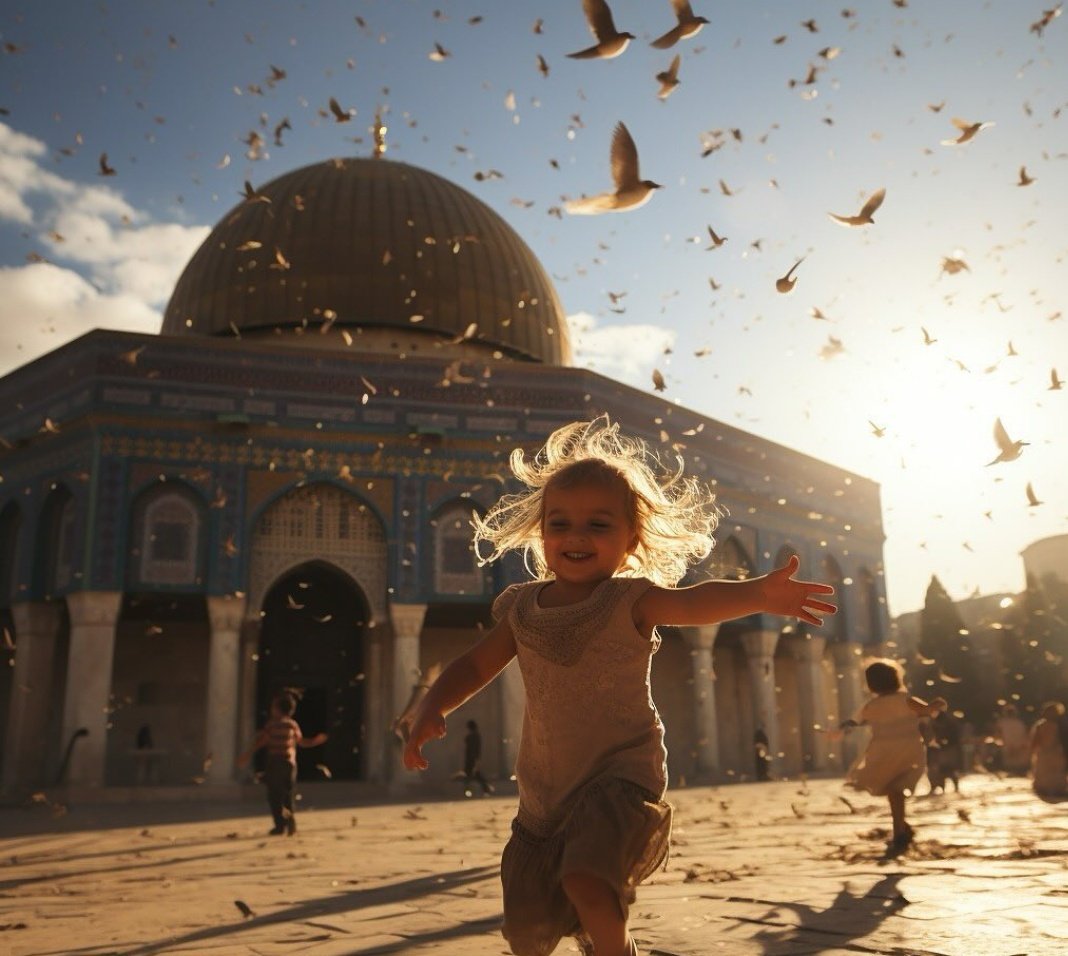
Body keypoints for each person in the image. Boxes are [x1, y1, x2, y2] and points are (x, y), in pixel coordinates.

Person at [398, 417, 837, 956]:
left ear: (632, 538)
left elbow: (694, 603)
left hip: (619, 776)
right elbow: (473, 665)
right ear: (540, 533)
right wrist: (431, 704)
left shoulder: (630, 600)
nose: (576, 537)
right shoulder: (521, 609)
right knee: (525, 934)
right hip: (544, 792)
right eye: (560, 524)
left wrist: (758, 595)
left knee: (588, 879)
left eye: (598, 525)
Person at [841, 659, 945, 853]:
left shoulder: (872, 704)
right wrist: (936, 704)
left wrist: (838, 730)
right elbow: (926, 710)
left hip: (881, 752)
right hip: (908, 749)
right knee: (897, 790)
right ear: (896, 678)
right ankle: (900, 829)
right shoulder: (905, 699)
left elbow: (855, 722)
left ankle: (899, 830)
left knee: (893, 790)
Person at [236, 691, 327, 835]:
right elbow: (302, 742)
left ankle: (280, 826)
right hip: (289, 764)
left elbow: (262, 742)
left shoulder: (272, 725)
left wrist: (247, 755)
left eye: (273, 707)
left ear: (277, 709)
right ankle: (291, 824)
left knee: (274, 795)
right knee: (288, 794)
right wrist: (316, 741)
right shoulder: (292, 725)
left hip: (275, 762)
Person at [1029, 701, 1067, 797]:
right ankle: (1051, 788)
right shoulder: (1043, 725)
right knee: (1048, 770)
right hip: (1048, 752)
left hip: (1052, 752)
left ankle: (1053, 788)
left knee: (1052, 770)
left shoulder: (1056, 725)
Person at [925, 702, 963, 794]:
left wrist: (945, 741)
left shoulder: (947, 720)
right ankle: (940, 787)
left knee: (948, 769)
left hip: (948, 748)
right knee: (941, 769)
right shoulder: (933, 720)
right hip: (939, 748)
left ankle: (953, 786)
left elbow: (954, 734)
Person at [462, 719, 495, 797]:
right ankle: (486, 789)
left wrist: (474, 760)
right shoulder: (476, 735)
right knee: (476, 776)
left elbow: (472, 749)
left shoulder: (472, 736)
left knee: (470, 776)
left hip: (470, 759)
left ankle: (468, 791)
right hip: (473, 758)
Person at [996, 704, 1030, 775]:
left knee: (1013, 766)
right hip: (1014, 746)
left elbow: (999, 734)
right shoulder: (1019, 723)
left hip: (1012, 746)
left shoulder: (1003, 723)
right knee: (1013, 766)